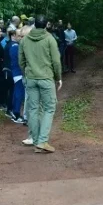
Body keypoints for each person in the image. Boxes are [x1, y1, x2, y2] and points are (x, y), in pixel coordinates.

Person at [19, 15, 63, 153]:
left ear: (34, 25)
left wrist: (26, 73)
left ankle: (37, 140)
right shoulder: (50, 39)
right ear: (45, 25)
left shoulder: (25, 40)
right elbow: (56, 61)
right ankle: (42, 141)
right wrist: (58, 77)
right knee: (49, 108)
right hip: (46, 78)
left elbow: (21, 60)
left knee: (32, 109)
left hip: (31, 78)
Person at [8, 29, 26, 123]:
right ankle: (16, 114)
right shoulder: (15, 47)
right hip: (18, 73)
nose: (21, 38)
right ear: (14, 36)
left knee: (16, 93)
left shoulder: (15, 46)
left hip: (16, 73)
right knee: (19, 94)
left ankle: (15, 112)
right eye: (19, 36)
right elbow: (20, 62)